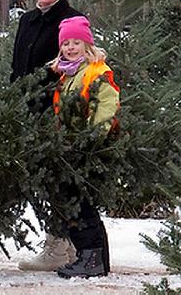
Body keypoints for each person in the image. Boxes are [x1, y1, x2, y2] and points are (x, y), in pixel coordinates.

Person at [12, 0, 84, 271]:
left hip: (57, 112)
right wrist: (12, 100)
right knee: (41, 180)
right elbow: (18, 67)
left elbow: (76, 66)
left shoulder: (71, 19)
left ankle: (60, 247)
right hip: (27, 112)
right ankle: (64, 246)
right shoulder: (27, 20)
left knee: (59, 180)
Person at [48, 15, 119, 278]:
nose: (70, 48)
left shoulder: (96, 72)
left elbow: (106, 107)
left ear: (87, 45)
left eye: (76, 42)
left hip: (87, 149)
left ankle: (91, 259)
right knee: (78, 202)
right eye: (66, 43)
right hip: (71, 148)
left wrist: (91, 139)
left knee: (79, 204)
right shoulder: (69, 74)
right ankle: (95, 259)